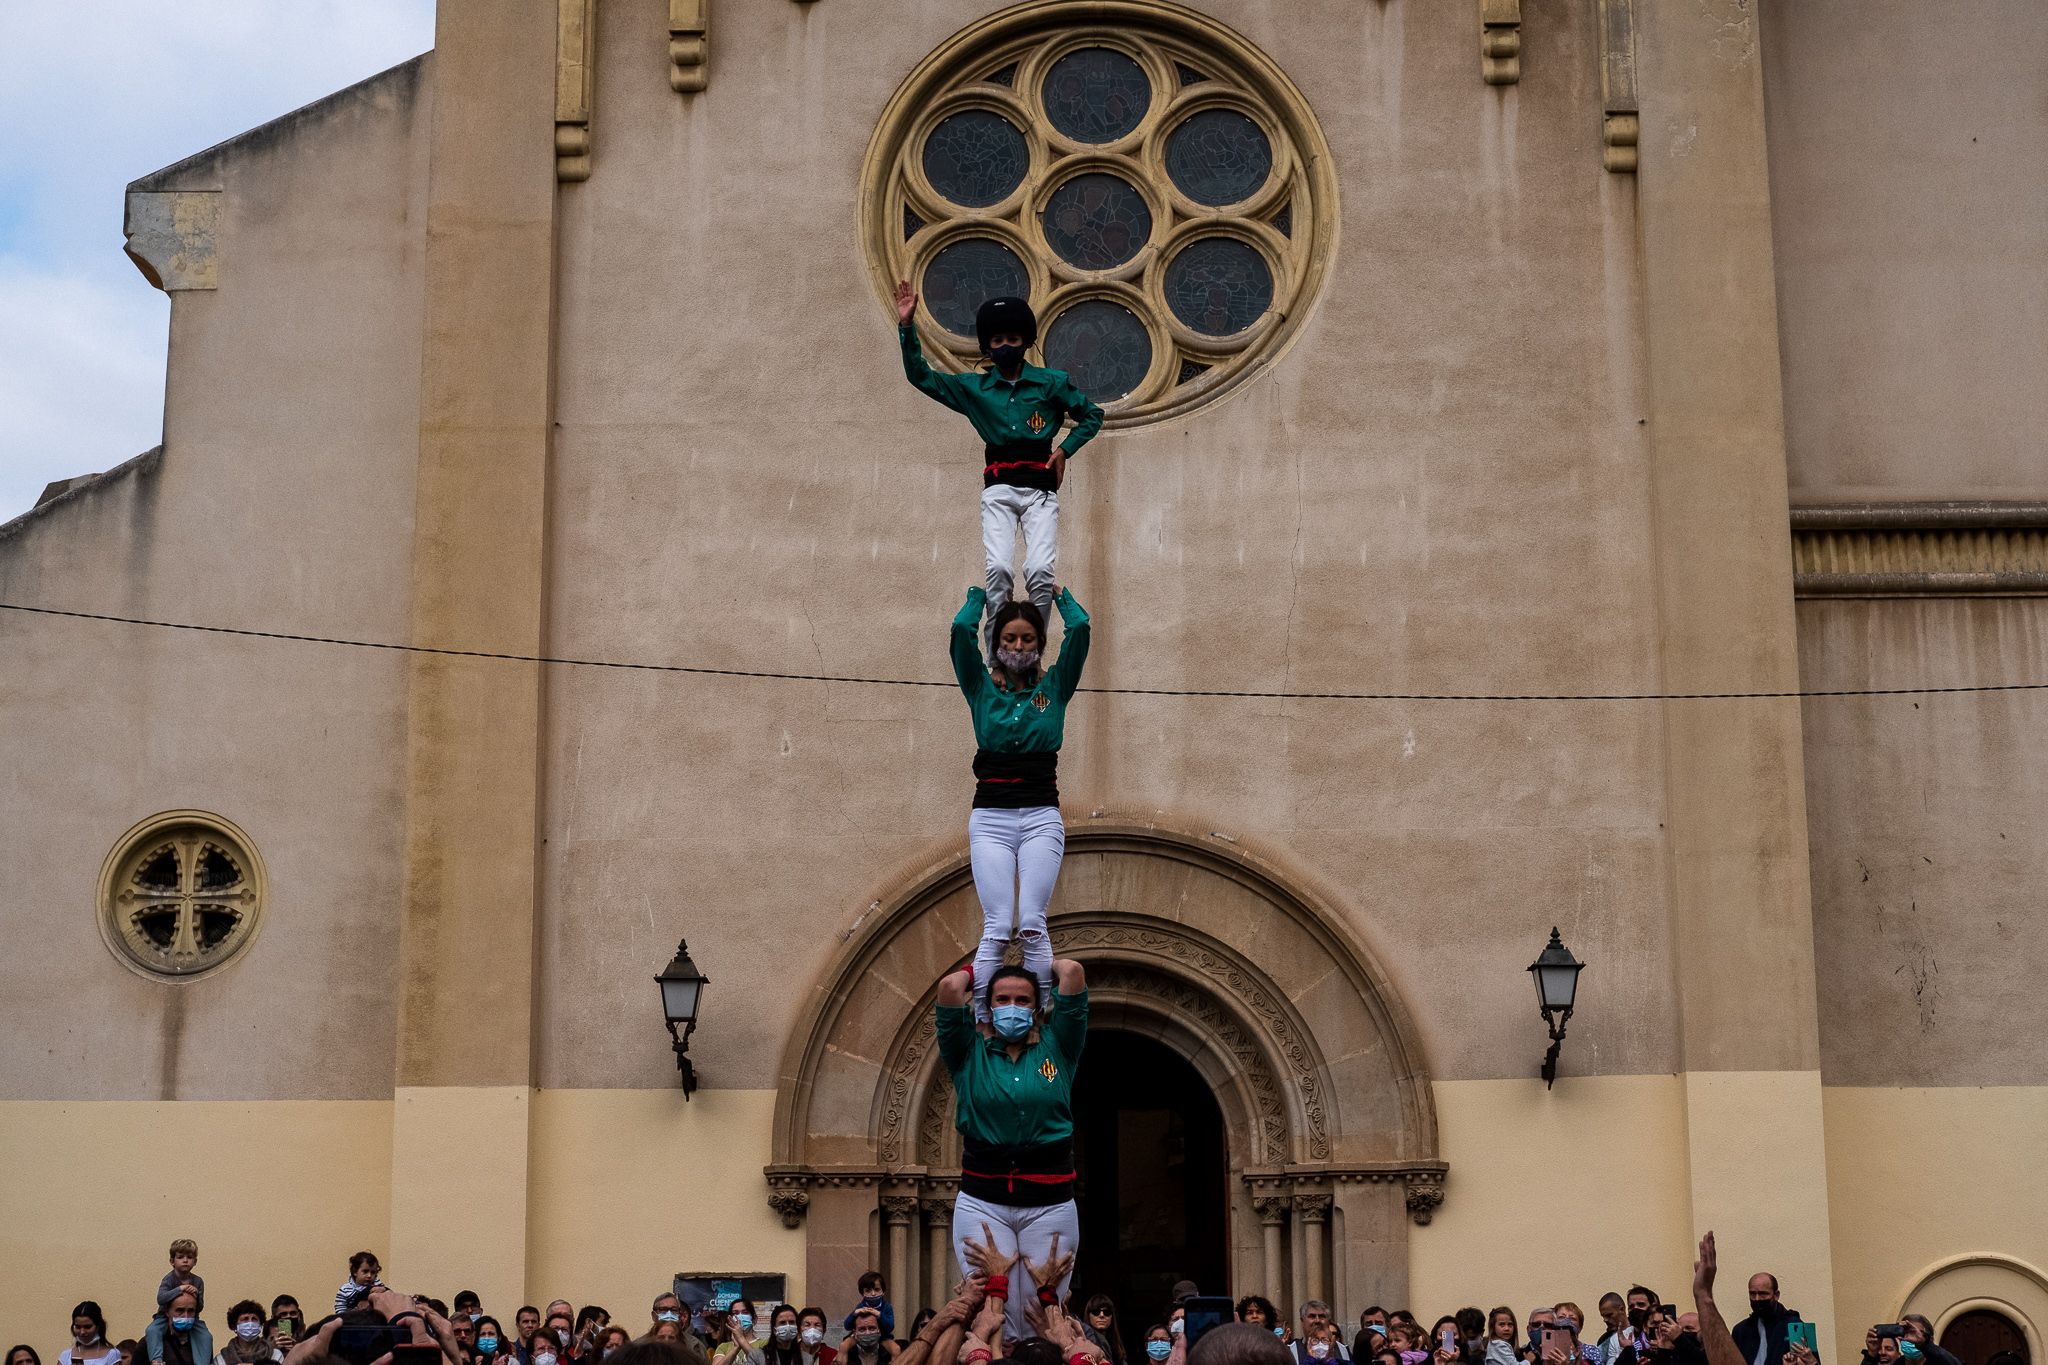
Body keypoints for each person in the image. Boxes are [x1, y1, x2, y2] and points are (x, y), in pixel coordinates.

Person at [894, 282, 1104, 658]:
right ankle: (997, 659)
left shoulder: (1050, 383)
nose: (1005, 345)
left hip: (1040, 491)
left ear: (1025, 341)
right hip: (1000, 490)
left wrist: (1065, 450)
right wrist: (907, 327)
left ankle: (1032, 655)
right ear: (986, 346)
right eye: (997, 340)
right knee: (1000, 573)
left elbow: (1092, 415)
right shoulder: (974, 388)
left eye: (1012, 337)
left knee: (1039, 571)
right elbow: (921, 377)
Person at [949, 580, 1090, 1020]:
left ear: (1038, 644)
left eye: (1027, 637)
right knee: (996, 926)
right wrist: (980, 599)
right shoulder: (980, 689)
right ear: (997, 643)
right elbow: (959, 634)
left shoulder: (1055, 689)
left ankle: (1039, 1015)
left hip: (1040, 817)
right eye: (1009, 637)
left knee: (1031, 920)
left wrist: (1061, 599)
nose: (1018, 644)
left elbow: (1081, 631)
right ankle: (983, 1020)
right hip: (991, 817)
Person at [937, 952, 1089, 1341]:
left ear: (1038, 1007)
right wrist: (984, 961)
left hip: (1050, 1202)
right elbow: (950, 988)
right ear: (987, 1008)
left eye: (1023, 1000)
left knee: (1042, 1311)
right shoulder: (967, 1052)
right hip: (983, 1200)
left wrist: (1040, 957)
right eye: (1002, 1000)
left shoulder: (1059, 1045)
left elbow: (1072, 973)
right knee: (993, 1308)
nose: (1012, 1008)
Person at [1730, 1278, 1807, 1365]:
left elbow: (1810, 1361)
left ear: (1776, 1295)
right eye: (1752, 1294)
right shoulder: (1741, 1330)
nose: (1757, 1299)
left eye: (1763, 1294)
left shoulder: (1794, 1326)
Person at [146, 1289, 211, 1365]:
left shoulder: (202, 1342)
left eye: (190, 1311)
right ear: (167, 1312)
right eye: (180, 1310)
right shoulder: (150, 1342)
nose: (185, 1316)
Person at [155, 1240, 205, 1325]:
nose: (185, 1260)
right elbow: (161, 1299)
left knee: (205, 1336)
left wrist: (196, 1294)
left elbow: (199, 1308)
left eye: (189, 1257)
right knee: (152, 1331)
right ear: (172, 1261)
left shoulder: (198, 1281)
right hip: (164, 1318)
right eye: (180, 1257)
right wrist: (180, 1289)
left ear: (195, 1261)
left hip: (191, 1319)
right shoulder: (168, 1279)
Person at [213, 1303, 278, 1365]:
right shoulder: (221, 1359)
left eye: (254, 1319)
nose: (250, 1323)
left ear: (260, 1325)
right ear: (234, 1326)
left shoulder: (275, 1354)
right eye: (245, 1319)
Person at [845, 1276, 897, 1343]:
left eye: (877, 1289)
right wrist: (854, 1313)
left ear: (883, 1291)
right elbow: (847, 1326)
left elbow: (890, 1327)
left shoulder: (887, 1307)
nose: (873, 1294)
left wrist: (879, 1315)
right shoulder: (860, 1306)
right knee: (844, 1345)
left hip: (883, 1337)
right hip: (861, 1337)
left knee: (895, 1349)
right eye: (868, 1291)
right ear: (862, 1293)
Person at [1083, 1299, 1126, 1365]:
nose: (1102, 1315)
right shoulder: (1082, 1340)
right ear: (1089, 1315)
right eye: (1096, 1312)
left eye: (1107, 1312)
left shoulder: (1115, 1342)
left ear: (1112, 1317)